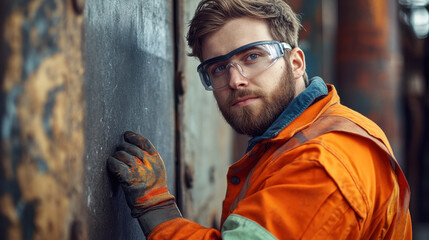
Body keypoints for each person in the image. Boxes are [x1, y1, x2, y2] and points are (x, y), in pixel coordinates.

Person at [106, 0, 412, 239]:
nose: (235, 80)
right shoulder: (295, 138)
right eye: (218, 68)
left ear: (295, 62)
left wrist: (158, 209)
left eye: (252, 57)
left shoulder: (325, 163)